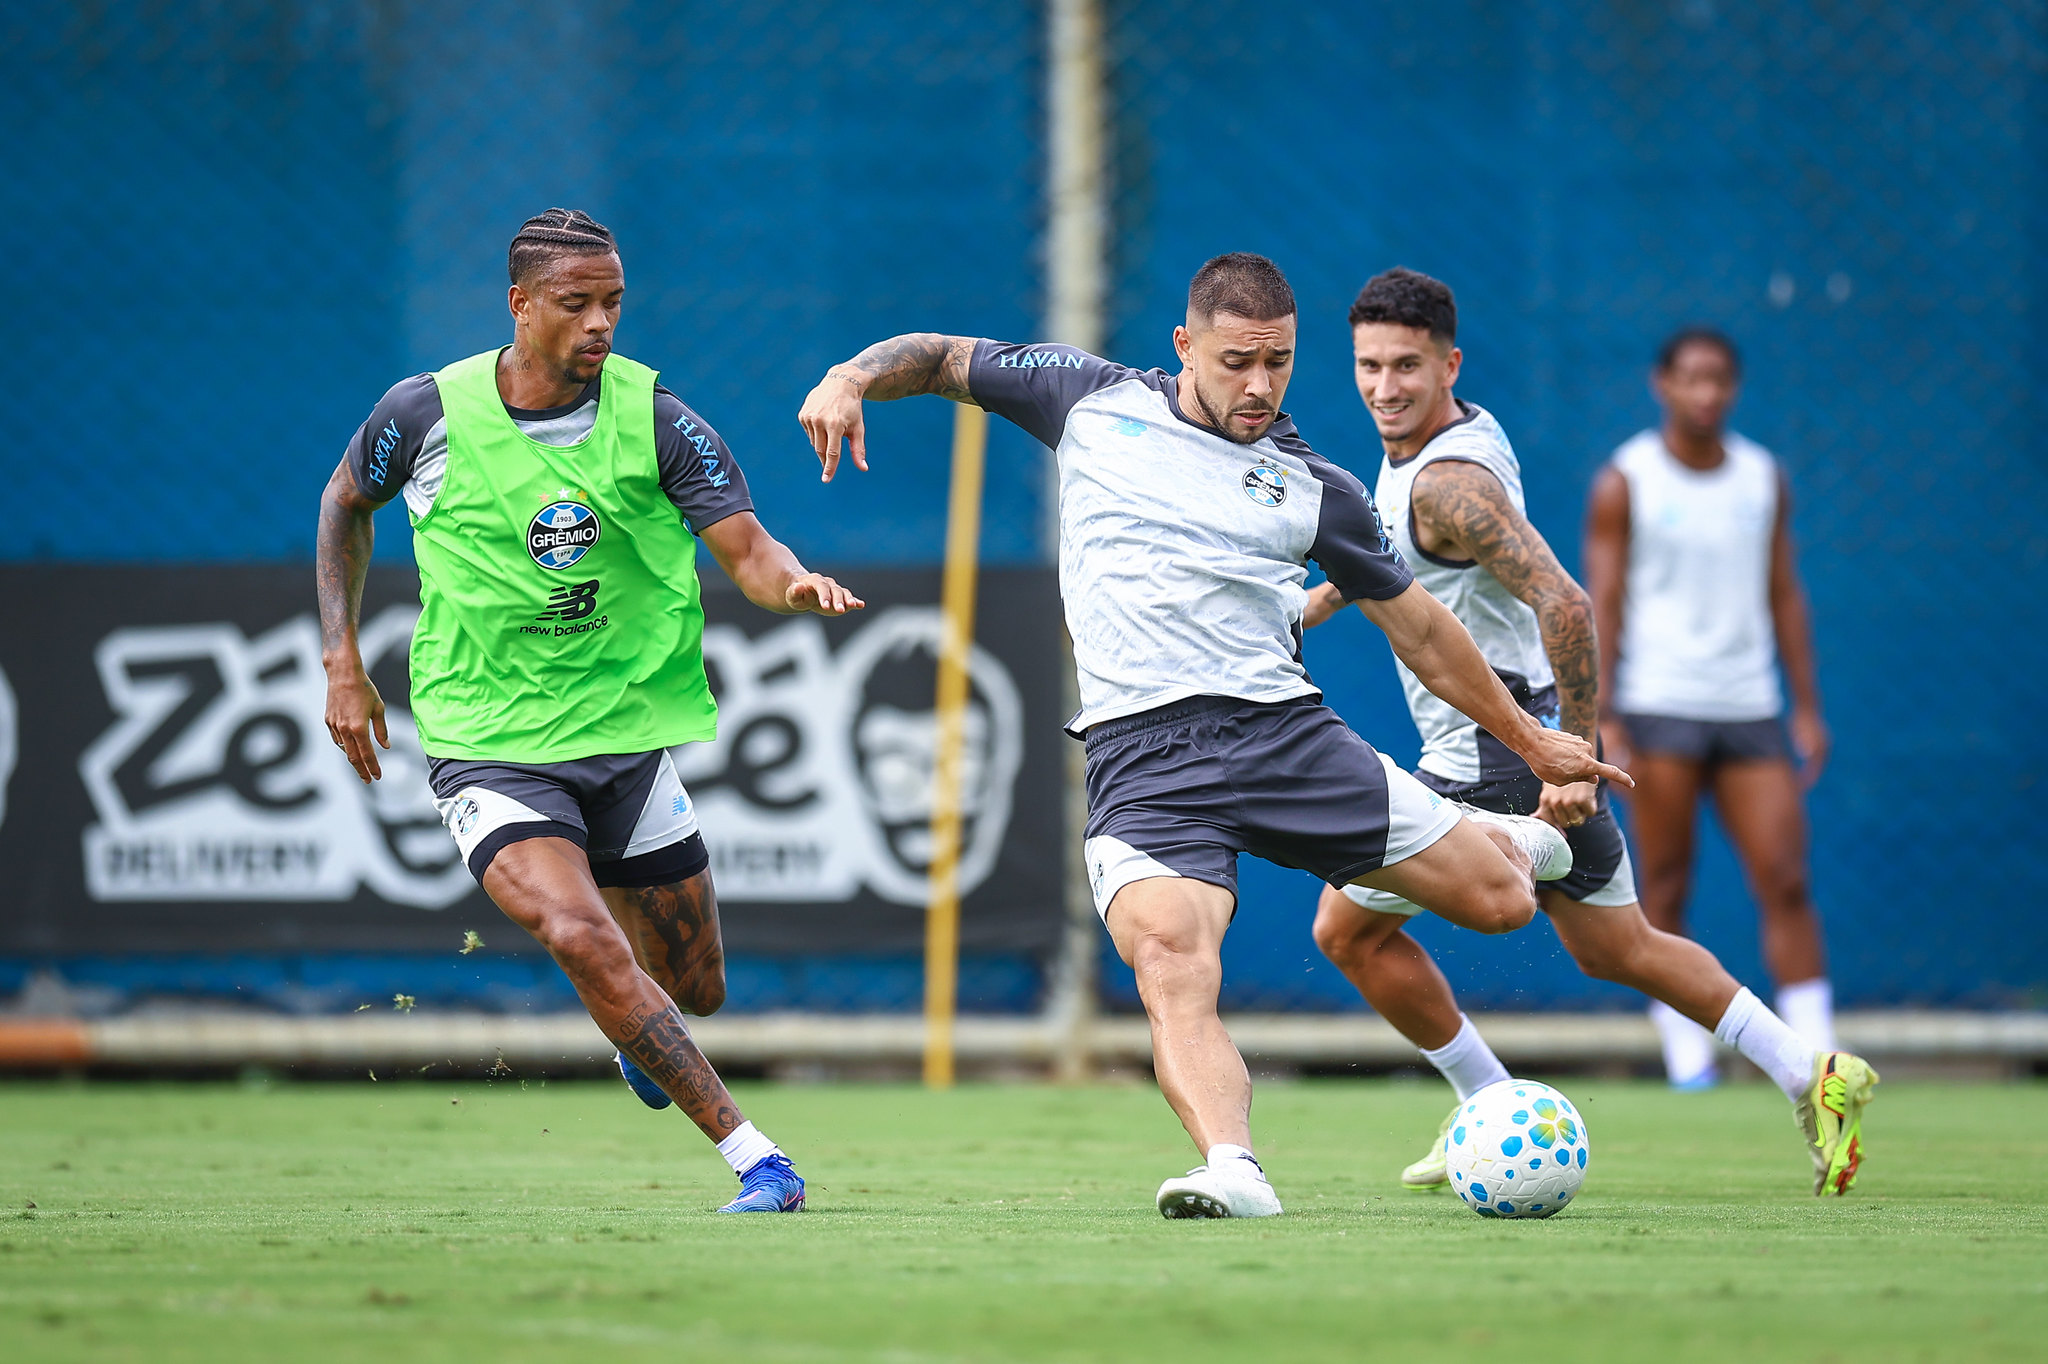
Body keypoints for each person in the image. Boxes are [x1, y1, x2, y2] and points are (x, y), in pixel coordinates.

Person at [796, 252, 1628, 1219]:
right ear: (1185, 346)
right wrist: (850, 376)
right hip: (1143, 760)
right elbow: (943, 357)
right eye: (1237, 362)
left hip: (1284, 737)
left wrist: (1533, 742)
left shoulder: (1316, 486)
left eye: (1279, 362)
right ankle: (1234, 1169)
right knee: (1170, 960)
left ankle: (1513, 840)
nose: (1260, 386)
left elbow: (1424, 633)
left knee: (1502, 904)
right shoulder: (1089, 399)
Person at [317, 208, 862, 1213]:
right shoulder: (424, 414)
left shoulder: (658, 419)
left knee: (695, 988)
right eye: (576, 303)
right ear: (519, 306)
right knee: (578, 932)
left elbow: (749, 551)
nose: (601, 322)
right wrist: (341, 659)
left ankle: (636, 1034)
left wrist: (792, 584)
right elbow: (347, 499)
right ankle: (760, 1161)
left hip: (625, 743)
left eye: (612, 301)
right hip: (488, 745)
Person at [1301, 270, 1875, 1196]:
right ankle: (1813, 1072)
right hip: (1521, 744)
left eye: (1406, 366)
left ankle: (1486, 1098)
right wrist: (1315, 602)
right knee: (1620, 949)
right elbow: (1406, 556)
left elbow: (1565, 602)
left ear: (1449, 364)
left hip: (1493, 756)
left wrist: (1568, 758)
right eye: (1369, 365)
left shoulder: (1448, 482)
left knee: (1347, 934)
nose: (1384, 386)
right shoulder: (1447, 442)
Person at [1588, 328, 1839, 1087]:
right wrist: (1605, 712)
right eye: (1691, 378)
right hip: (1657, 706)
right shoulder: (1626, 480)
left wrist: (1806, 706)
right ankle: (1689, 1058)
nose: (1706, 393)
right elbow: (1602, 600)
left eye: (1720, 379)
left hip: (1751, 708)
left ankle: (1823, 1060)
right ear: (1662, 384)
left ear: (1734, 388)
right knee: (1664, 884)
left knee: (1786, 878)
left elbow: (1783, 591)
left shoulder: (1762, 477)